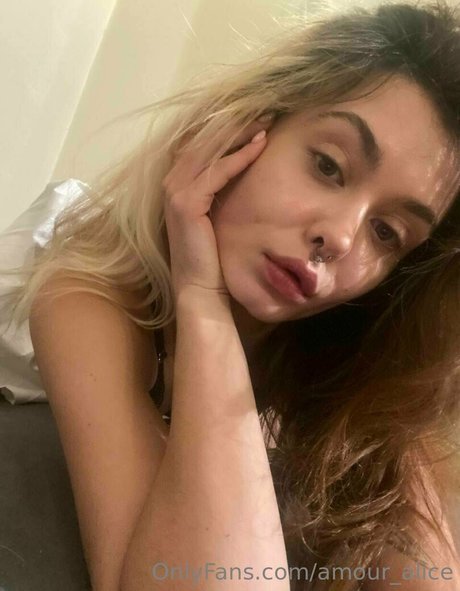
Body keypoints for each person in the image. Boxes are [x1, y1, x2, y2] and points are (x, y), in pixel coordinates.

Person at [0, 1, 459, 589]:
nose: (341, 237)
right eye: (328, 165)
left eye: (387, 233)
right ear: (239, 129)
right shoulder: (87, 293)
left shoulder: (365, 396)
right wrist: (201, 296)